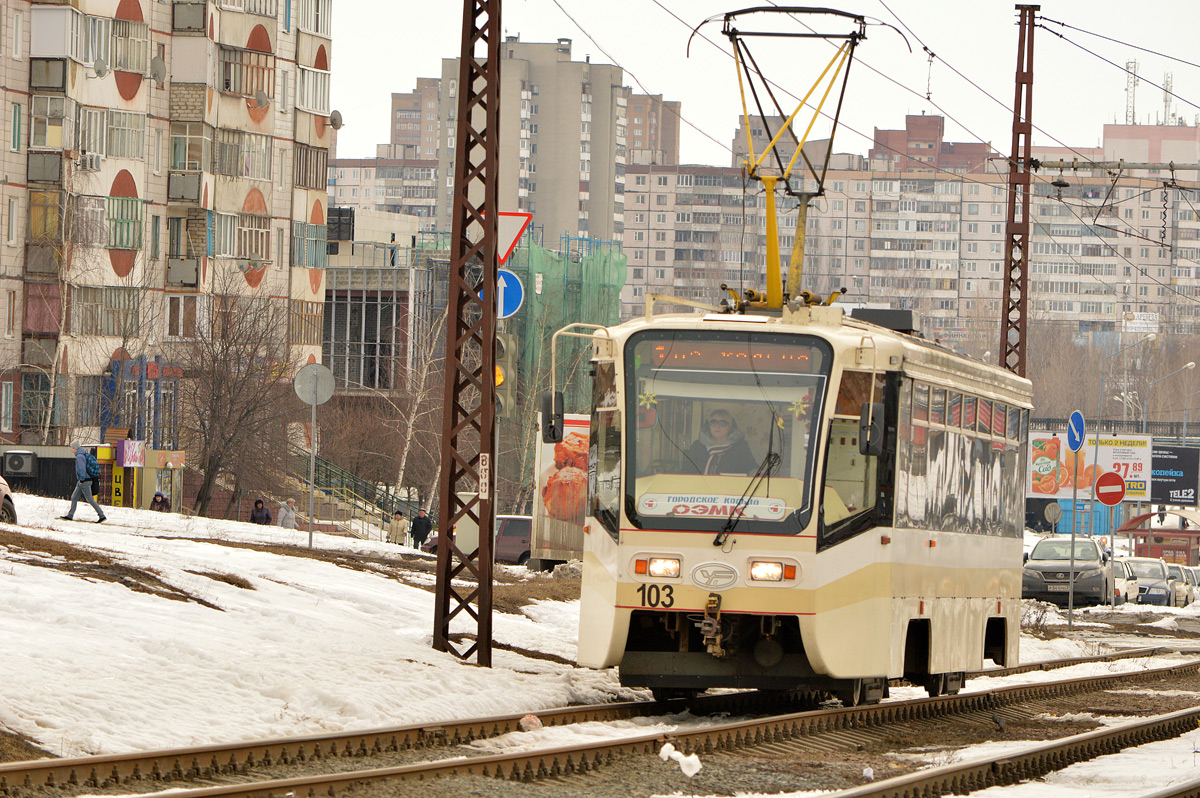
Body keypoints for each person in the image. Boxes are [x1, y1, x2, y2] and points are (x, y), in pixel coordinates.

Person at [685, 409, 757, 475]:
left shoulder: (740, 447)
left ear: (729, 427)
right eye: (713, 422)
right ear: (709, 426)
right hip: (698, 488)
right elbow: (686, 471)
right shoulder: (697, 446)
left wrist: (757, 473)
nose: (717, 426)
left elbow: (751, 467)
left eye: (722, 423)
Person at [60, 441, 106, 523]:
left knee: (90, 500)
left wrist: (82, 479)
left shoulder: (80, 456)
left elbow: (82, 469)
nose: (70, 449)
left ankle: (102, 515)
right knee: (74, 497)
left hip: (84, 481)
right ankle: (70, 515)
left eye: (71, 447)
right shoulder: (82, 454)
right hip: (83, 480)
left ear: (74, 448)